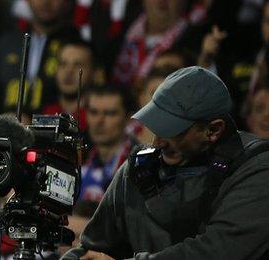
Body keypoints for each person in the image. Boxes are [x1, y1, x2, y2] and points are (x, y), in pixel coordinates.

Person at [62, 66, 269, 260]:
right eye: (157, 126)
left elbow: (216, 252)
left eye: (172, 131)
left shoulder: (256, 170)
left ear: (213, 130)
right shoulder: (140, 168)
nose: (157, 142)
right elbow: (93, 249)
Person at [80, 86, 136, 202]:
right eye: (93, 112)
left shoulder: (138, 165)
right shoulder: (80, 159)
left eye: (110, 113)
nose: (99, 121)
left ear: (128, 119)